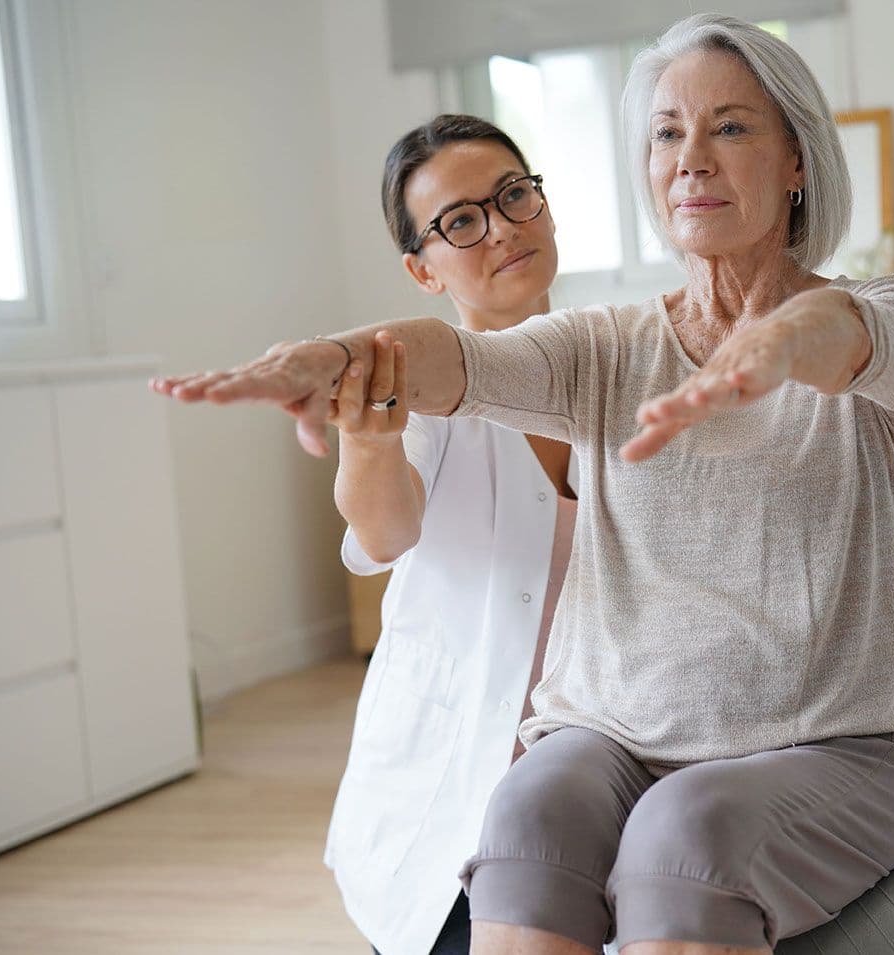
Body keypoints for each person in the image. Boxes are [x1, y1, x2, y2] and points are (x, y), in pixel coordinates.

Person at [153, 14, 894, 953]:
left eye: (730, 127)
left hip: (817, 745)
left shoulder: (891, 314)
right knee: (528, 807)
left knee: (684, 832)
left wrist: (771, 343)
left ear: (797, 159)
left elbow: (843, 337)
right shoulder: (602, 345)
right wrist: (333, 357)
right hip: (606, 738)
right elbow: (451, 360)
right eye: (666, 132)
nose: (690, 158)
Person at [321, 114, 573, 955]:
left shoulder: (613, 369)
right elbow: (384, 532)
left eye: (513, 195)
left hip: (587, 776)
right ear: (421, 269)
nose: (501, 228)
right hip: (448, 784)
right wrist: (368, 439)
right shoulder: (421, 398)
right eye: (460, 220)